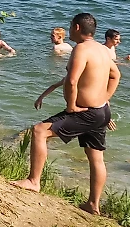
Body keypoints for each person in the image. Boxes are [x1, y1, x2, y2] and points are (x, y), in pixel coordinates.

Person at [13, 12, 120, 215]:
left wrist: (71, 106)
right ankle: (93, 204)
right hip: (101, 112)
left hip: (84, 112)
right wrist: (105, 98)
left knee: (39, 131)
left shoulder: (80, 49)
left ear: (77, 28)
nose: (69, 29)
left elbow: (72, 81)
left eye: (71, 25)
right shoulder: (101, 49)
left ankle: (33, 181)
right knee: (96, 157)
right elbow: (116, 75)